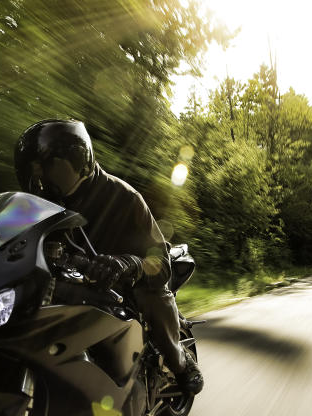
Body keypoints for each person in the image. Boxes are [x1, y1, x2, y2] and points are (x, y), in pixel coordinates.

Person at [14, 119, 203, 395]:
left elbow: (161, 264)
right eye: (35, 171)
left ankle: (181, 364)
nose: (41, 180)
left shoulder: (125, 198)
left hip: (127, 284)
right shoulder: (37, 206)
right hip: (77, 285)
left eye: (49, 168)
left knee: (151, 294)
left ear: (78, 161)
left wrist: (129, 264)